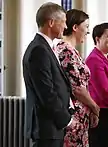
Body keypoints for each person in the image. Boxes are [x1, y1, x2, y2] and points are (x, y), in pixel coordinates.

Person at [22, 2, 73, 147]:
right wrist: (66, 119)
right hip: (46, 128)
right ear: (51, 22)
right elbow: (46, 92)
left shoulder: (44, 47)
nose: (66, 27)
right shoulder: (39, 50)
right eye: (63, 22)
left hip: (51, 128)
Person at [54, 9, 99, 147]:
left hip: (81, 116)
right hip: (75, 117)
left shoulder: (71, 50)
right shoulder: (66, 50)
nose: (87, 32)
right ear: (75, 27)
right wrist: (95, 107)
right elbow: (78, 89)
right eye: (86, 27)